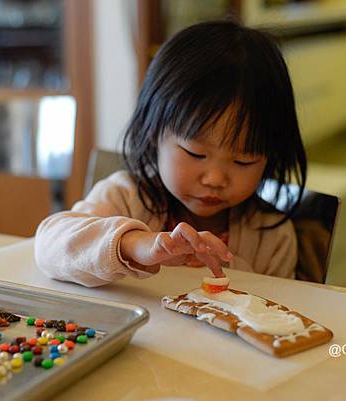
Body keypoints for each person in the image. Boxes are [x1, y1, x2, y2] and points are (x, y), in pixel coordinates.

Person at [34, 20, 307, 287]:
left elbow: (281, 316)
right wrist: (134, 244)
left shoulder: (272, 236)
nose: (214, 178)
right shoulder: (125, 197)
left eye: (242, 160)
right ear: (154, 133)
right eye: (195, 153)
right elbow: (49, 247)